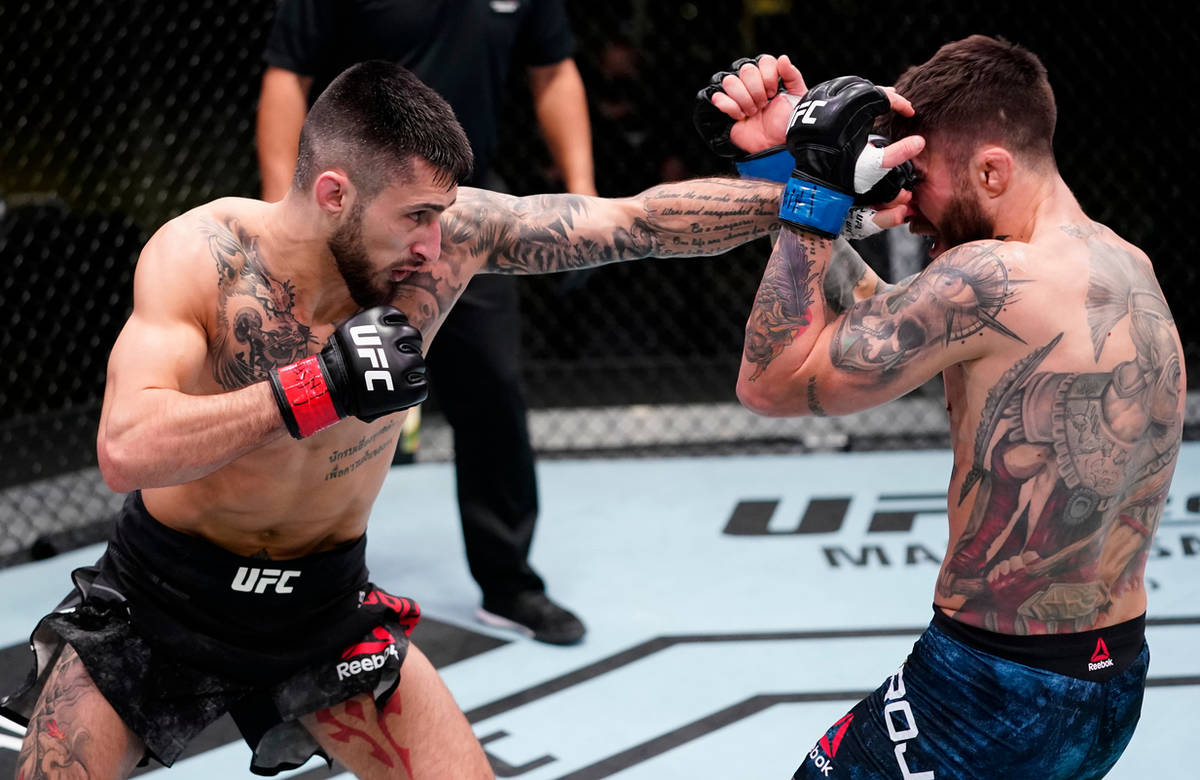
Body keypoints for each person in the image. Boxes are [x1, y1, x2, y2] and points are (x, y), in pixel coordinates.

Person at [0, 60, 801, 778]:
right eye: (413, 215)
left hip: (322, 606)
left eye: (441, 213)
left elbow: (636, 223)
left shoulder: (450, 237)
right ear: (333, 193)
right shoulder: (203, 256)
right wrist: (316, 388)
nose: (432, 242)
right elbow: (125, 446)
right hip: (163, 603)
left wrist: (810, 191)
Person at [701, 40, 1184, 778]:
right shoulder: (1125, 263)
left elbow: (770, 380)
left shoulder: (991, 277)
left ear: (992, 169)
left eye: (918, 177)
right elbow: (877, 321)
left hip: (992, 689)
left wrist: (812, 187)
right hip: (1110, 678)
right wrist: (782, 170)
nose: (906, 203)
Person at [256, 0, 597, 645]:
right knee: (310, 394)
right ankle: (277, 577)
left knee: (494, 389)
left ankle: (510, 583)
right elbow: (286, 75)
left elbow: (553, 71)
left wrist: (579, 199)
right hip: (350, 215)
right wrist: (286, 224)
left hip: (462, 213)